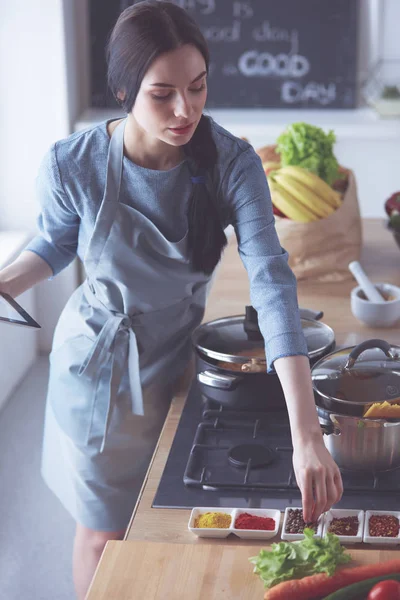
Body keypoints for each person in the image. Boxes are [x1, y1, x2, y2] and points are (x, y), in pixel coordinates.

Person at [0, 2, 343, 598]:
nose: (185, 110)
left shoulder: (230, 162)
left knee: (168, 521)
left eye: (198, 87)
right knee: (103, 535)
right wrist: (7, 280)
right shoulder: (73, 163)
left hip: (180, 358)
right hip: (97, 373)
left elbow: (271, 279)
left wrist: (307, 432)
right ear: (123, 89)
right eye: (163, 94)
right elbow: (56, 244)